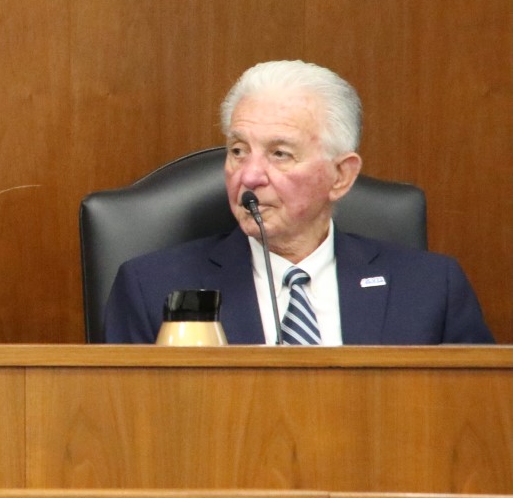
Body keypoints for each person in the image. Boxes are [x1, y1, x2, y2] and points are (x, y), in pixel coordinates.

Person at [104, 60, 494, 345]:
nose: (249, 176)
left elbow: (477, 420)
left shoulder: (430, 288)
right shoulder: (151, 288)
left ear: (340, 176)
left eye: (280, 154)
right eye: (238, 151)